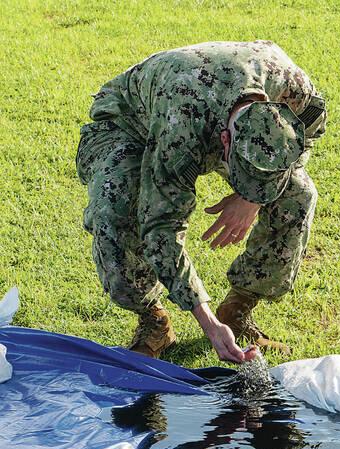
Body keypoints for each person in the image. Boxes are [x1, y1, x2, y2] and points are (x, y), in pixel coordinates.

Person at [76, 41, 326, 362]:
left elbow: (310, 131)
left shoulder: (292, 88)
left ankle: (238, 309)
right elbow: (160, 227)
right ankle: (154, 321)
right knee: (115, 205)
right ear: (225, 142)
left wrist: (249, 198)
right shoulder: (180, 125)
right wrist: (207, 323)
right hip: (132, 123)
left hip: (216, 112)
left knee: (298, 194)